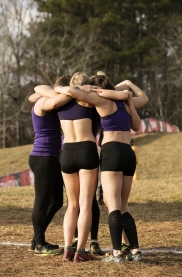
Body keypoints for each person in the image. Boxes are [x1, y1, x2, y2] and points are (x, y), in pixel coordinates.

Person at [54, 73, 147, 263]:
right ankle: (135, 250)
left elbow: (74, 93)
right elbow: (142, 107)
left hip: (111, 152)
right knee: (123, 205)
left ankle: (116, 253)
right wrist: (128, 84)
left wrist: (83, 90)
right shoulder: (127, 102)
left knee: (111, 203)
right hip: (129, 152)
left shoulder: (102, 101)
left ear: (99, 90)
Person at [36, 72, 128, 262]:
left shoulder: (59, 101)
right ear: (87, 86)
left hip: (67, 151)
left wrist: (64, 90)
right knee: (86, 204)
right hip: (87, 149)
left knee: (72, 204)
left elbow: (37, 91)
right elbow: (120, 95)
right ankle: (80, 252)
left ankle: (68, 249)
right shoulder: (91, 101)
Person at [28, 75, 72, 256]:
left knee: (57, 201)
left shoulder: (48, 98)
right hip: (42, 156)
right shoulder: (44, 101)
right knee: (42, 201)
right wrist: (73, 91)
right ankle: (39, 244)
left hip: (52, 157)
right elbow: (45, 96)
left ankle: (36, 239)